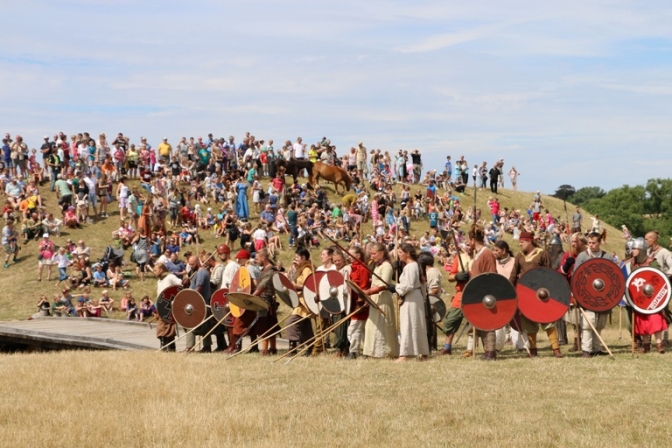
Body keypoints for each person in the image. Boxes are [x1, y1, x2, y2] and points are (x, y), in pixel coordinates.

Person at [511, 231, 564, 358]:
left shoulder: (542, 253)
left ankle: (556, 349)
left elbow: (549, 273)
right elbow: (513, 275)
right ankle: (533, 350)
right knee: (529, 322)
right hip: (526, 294)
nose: (520, 244)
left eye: (522, 242)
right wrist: (509, 289)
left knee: (548, 320)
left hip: (542, 293)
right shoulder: (519, 256)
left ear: (529, 241)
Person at [573, 231, 612, 358]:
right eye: (589, 243)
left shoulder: (607, 257)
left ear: (599, 243)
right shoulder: (582, 257)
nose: (591, 245)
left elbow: (612, 277)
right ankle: (586, 349)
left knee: (599, 323)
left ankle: (596, 348)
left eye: (593, 243)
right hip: (587, 294)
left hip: (603, 294)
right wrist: (577, 295)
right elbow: (576, 276)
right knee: (588, 323)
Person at [627, 237, 668, 354]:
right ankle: (646, 345)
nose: (632, 250)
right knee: (642, 321)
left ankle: (659, 344)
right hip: (640, 297)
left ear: (641, 249)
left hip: (652, 296)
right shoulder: (633, 264)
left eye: (635, 248)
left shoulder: (652, 262)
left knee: (655, 319)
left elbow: (659, 279)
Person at [389, 243, 429, 361]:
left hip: (411, 297)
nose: (398, 255)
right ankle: (422, 352)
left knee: (409, 324)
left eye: (401, 252)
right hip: (413, 297)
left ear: (407, 253)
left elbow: (409, 285)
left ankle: (404, 354)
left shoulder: (411, 266)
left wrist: (395, 288)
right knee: (415, 324)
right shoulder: (411, 266)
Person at [363, 243, 399, 358]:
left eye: (374, 254)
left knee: (383, 325)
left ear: (381, 253)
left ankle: (385, 352)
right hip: (375, 298)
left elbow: (384, 285)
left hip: (383, 298)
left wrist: (369, 292)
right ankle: (372, 351)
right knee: (371, 325)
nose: (372, 256)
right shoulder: (377, 266)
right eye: (371, 253)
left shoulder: (386, 266)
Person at [440, 244, 472, 355]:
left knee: (474, 322)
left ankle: (470, 348)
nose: (469, 246)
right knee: (450, 320)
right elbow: (450, 277)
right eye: (468, 244)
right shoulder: (460, 258)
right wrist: (457, 276)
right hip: (461, 293)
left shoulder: (479, 257)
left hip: (476, 293)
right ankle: (447, 347)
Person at [285, 248, 315, 351]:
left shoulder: (307, 269)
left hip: (305, 302)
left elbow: (309, 286)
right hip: (300, 301)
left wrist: (296, 287)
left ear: (303, 258)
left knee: (290, 323)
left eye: (297, 257)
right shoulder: (301, 269)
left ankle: (292, 347)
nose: (295, 259)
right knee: (305, 327)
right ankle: (312, 347)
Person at [250, 249, 279, 355]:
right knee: (268, 325)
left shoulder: (270, 270)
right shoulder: (264, 269)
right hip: (263, 299)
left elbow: (263, 285)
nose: (256, 260)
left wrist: (252, 297)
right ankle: (271, 349)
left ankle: (266, 350)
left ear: (263, 258)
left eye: (257, 258)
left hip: (266, 300)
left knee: (266, 326)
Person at [344, 247, 371, 359]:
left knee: (355, 328)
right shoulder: (353, 269)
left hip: (360, 303)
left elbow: (364, 287)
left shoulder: (362, 268)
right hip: (353, 302)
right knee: (360, 328)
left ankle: (354, 351)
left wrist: (361, 302)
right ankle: (365, 351)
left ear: (358, 255)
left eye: (351, 254)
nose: (348, 256)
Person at [185, 254, 214, 352]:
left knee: (190, 323)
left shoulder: (201, 273)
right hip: (200, 303)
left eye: (192, 264)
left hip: (200, 303)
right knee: (205, 327)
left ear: (197, 262)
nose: (191, 266)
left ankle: (190, 347)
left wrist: (192, 300)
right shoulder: (197, 272)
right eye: (189, 264)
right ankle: (207, 347)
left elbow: (199, 288)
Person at [154, 262, 182, 351]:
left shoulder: (170, 277)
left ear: (161, 270)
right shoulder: (159, 281)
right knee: (161, 326)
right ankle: (163, 344)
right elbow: (160, 296)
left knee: (169, 326)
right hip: (161, 306)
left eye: (155, 270)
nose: (154, 272)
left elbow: (180, 284)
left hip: (170, 306)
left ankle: (170, 346)